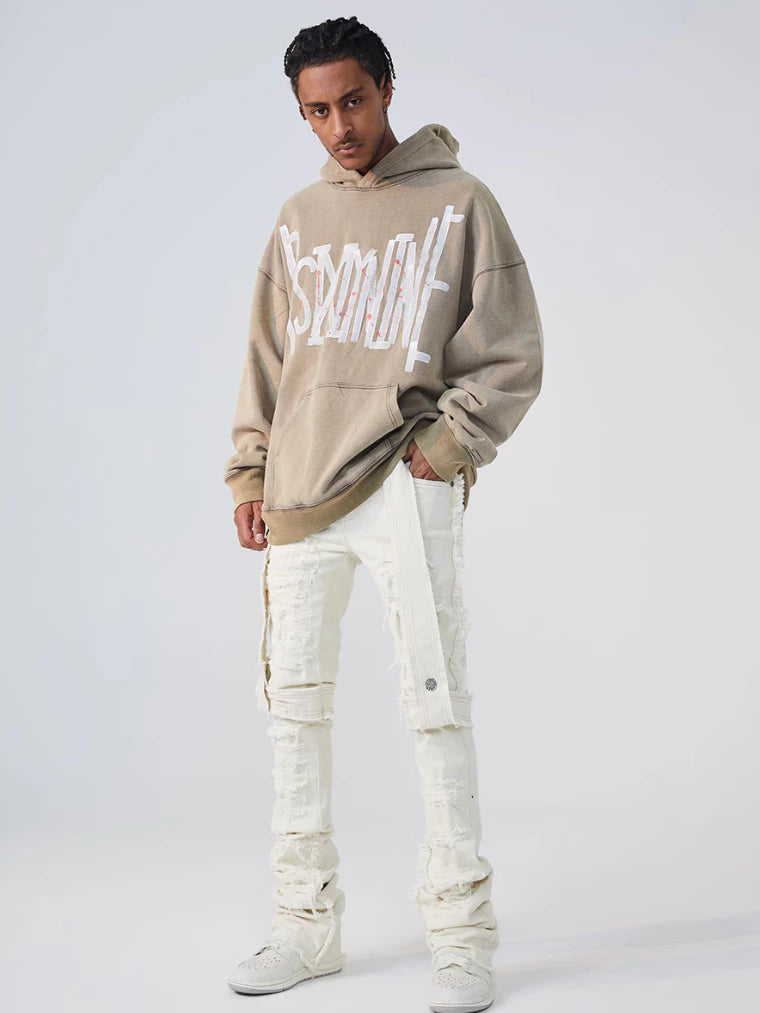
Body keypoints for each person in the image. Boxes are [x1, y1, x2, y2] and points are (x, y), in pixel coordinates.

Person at [222, 16, 543, 1013]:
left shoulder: (460, 202)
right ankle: (305, 926)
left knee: (435, 706)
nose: (339, 127)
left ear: (387, 87)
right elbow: (268, 360)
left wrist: (446, 446)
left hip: (405, 482)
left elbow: (511, 350)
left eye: (352, 100)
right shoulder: (298, 218)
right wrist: (249, 473)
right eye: (316, 111)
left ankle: (461, 937)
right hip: (300, 494)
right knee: (293, 712)